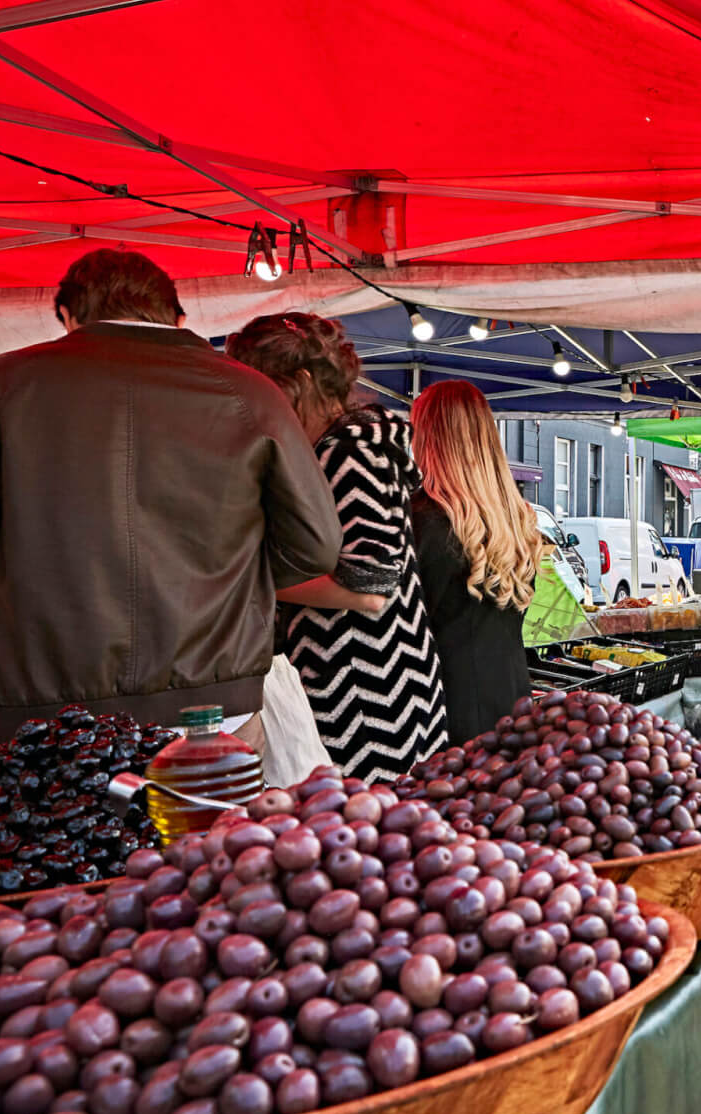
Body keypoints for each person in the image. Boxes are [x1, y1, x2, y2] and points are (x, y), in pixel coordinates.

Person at [0, 249, 343, 743]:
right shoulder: (250, 392)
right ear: (178, 319)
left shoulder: (1, 383)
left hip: (49, 705)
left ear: (67, 315)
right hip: (212, 701)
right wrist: (227, 586)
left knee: (61, 800)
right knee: (216, 799)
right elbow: (314, 547)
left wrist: (28, 584)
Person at [228, 313, 450, 780]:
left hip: (365, 694)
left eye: (262, 389)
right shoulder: (347, 447)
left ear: (300, 383)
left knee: (362, 818)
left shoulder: (349, 451)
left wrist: (247, 583)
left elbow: (368, 587)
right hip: (379, 686)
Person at [408, 381, 544, 745]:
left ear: (427, 437)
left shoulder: (422, 519)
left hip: (446, 713)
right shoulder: (516, 519)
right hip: (514, 701)